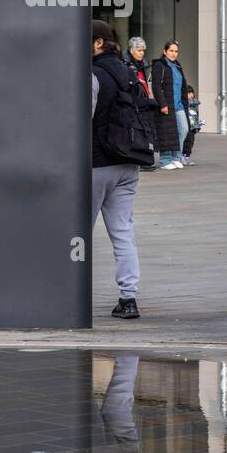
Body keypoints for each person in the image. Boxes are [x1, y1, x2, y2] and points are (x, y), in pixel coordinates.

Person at [92, 19, 144, 320]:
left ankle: (68, 292)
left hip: (96, 164)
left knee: (76, 234)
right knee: (123, 233)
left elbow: (80, 118)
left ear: (98, 43)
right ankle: (128, 298)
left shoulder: (94, 74)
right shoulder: (129, 71)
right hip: (128, 162)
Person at [151, 40, 191, 169]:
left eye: (176, 51)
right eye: (171, 51)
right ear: (165, 51)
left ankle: (175, 156)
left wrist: (186, 104)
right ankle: (165, 160)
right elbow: (156, 86)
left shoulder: (177, 66)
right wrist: (162, 103)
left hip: (178, 105)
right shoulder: (159, 65)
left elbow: (182, 87)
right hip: (167, 104)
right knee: (166, 132)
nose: (174, 54)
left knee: (183, 129)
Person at [181, 86, 203, 166]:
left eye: (192, 93)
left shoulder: (194, 105)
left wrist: (198, 123)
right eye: (188, 93)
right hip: (186, 125)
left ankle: (187, 157)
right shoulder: (185, 104)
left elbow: (195, 116)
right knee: (185, 141)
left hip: (193, 126)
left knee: (190, 142)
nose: (191, 95)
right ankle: (182, 156)